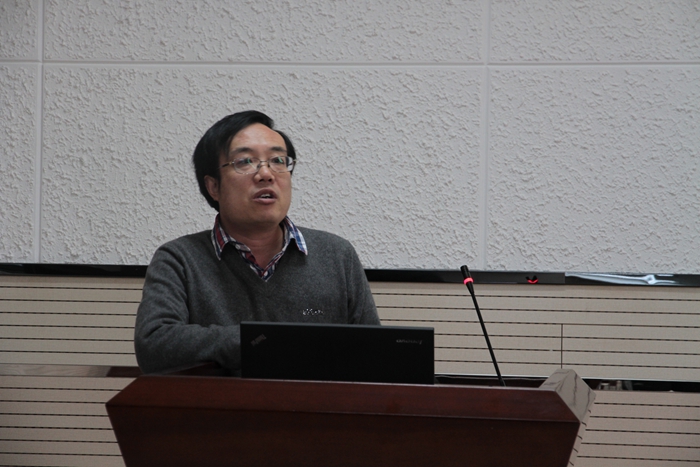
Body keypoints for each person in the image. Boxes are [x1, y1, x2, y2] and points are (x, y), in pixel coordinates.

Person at [134, 110, 380, 374]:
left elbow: (376, 354)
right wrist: (261, 341)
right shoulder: (179, 259)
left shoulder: (336, 255)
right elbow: (154, 344)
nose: (266, 174)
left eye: (278, 160)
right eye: (245, 161)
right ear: (213, 186)